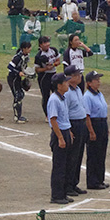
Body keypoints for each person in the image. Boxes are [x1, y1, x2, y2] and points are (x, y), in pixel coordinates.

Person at [46, 73, 76, 204]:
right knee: (59, 166)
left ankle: (63, 193)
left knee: (65, 165)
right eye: (65, 82)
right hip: (59, 134)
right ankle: (57, 195)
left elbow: (64, 118)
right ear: (59, 86)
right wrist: (60, 138)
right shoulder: (54, 99)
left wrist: (68, 131)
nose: (67, 84)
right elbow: (53, 120)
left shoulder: (62, 98)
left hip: (65, 131)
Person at [64, 65, 93, 197]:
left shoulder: (77, 90)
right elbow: (64, 112)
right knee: (72, 156)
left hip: (81, 123)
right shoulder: (67, 92)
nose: (79, 77)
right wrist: (69, 129)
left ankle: (74, 183)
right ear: (70, 77)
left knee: (79, 154)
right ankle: (68, 185)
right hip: (73, 124)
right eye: (76, 75)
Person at [83, 71, 110, 190]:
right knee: (94, 153)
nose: (98, 81)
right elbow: (87, 116)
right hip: (94, 123)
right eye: (96, 80)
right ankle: (92, 181)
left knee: (101, 153)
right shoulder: (87, 96)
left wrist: (106, 127)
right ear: (89, 83)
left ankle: (100, 179)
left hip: (102, 123)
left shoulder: (99, 94)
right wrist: (91, 131)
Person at [34, 36, 61, 118]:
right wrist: (46, 68)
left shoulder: (53, 50)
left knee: (57, 93)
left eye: (48, 42)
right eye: (45, 43)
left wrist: (54, 64)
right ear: (40, 45)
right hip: (44, 77)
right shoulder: (39, 56)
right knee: (46, 96)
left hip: (54, 75)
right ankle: (48, 115)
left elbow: (58, 60)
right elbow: (37, 69)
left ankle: (57, 112)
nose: (47, 44)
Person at [7, 41, 32, 123]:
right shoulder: (18, 57)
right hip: (12, 78)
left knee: (20, 94)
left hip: (17, 78)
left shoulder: (26, 57)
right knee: (17, 95)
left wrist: (27, 74)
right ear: (24, 49)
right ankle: (17, 117)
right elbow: (9, 66)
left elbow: (24, 67)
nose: (30, 49)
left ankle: (19, 115)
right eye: (28, 48)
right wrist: (18, 72)